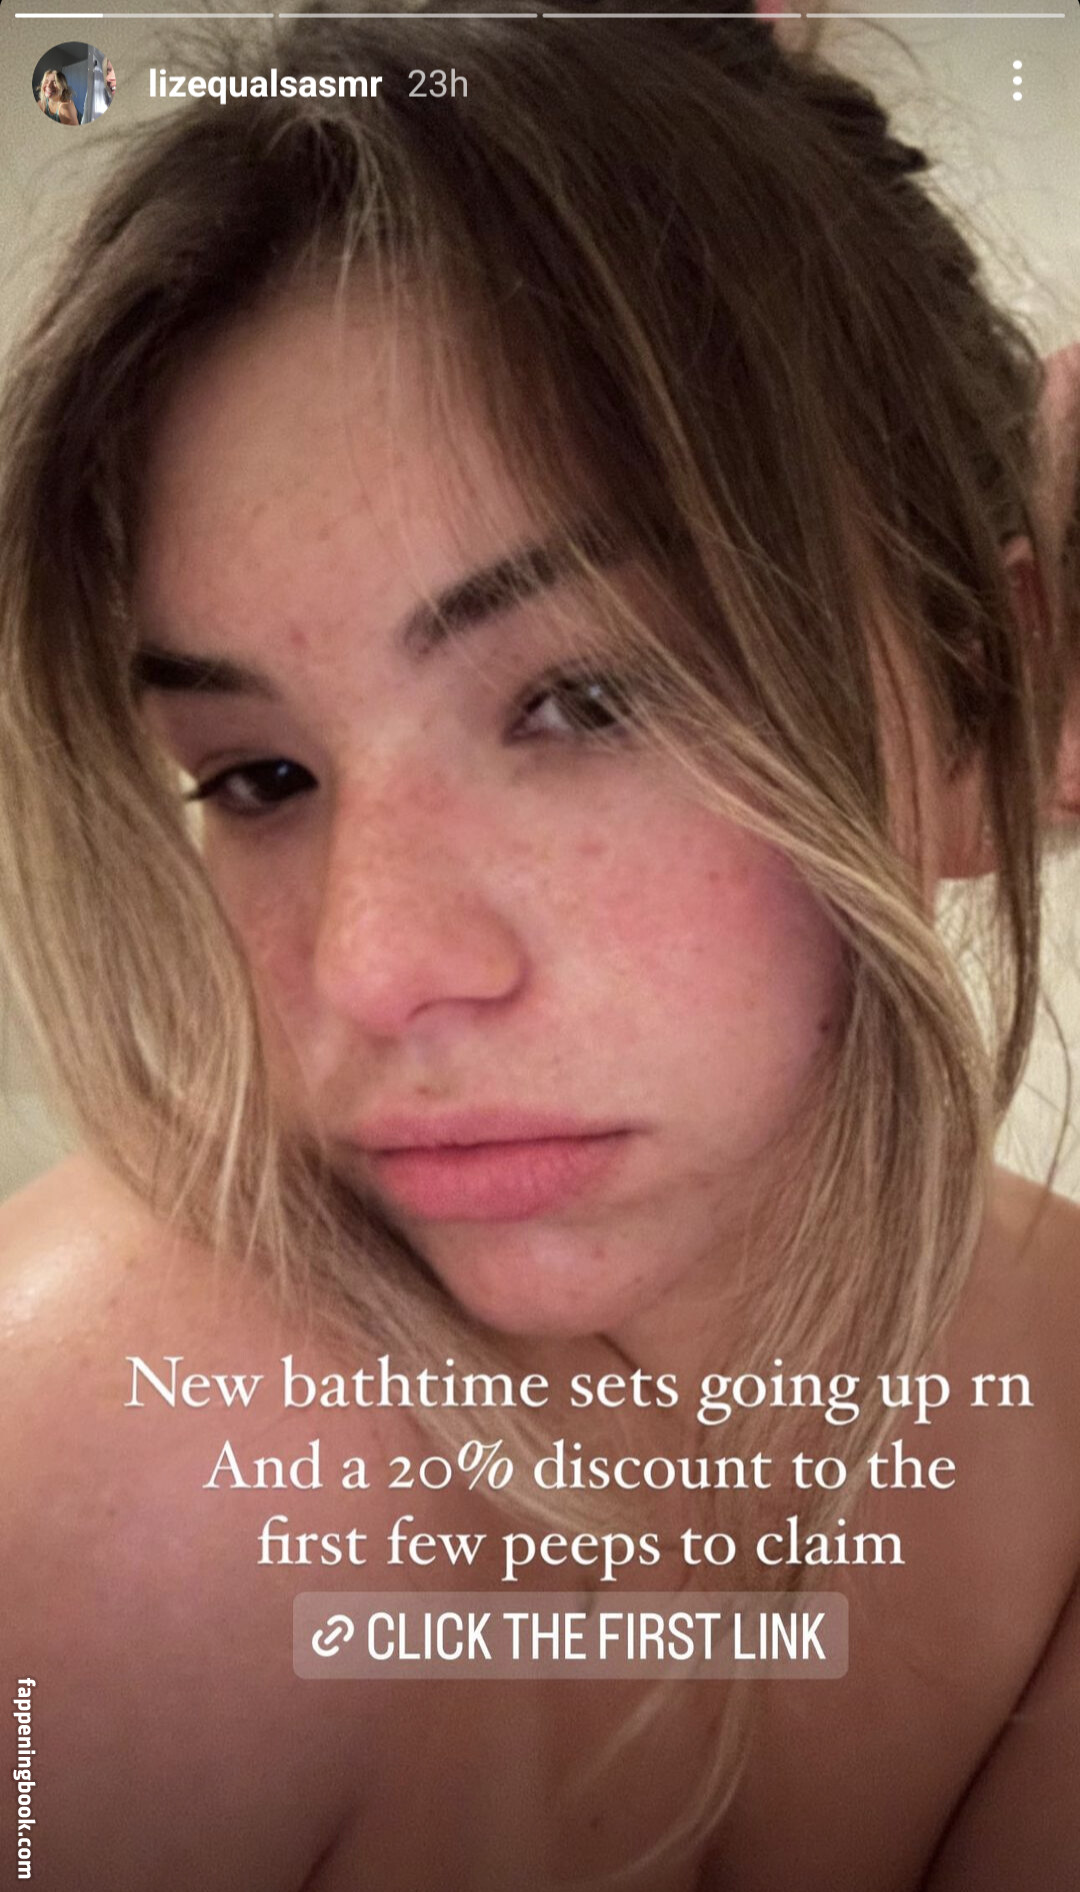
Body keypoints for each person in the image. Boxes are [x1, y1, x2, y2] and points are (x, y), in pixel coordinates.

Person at [1, 3, 1078, 1886]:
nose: (369, 970)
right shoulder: (122, 1425)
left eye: (585, 699)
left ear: (990, 702)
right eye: (258, 775)